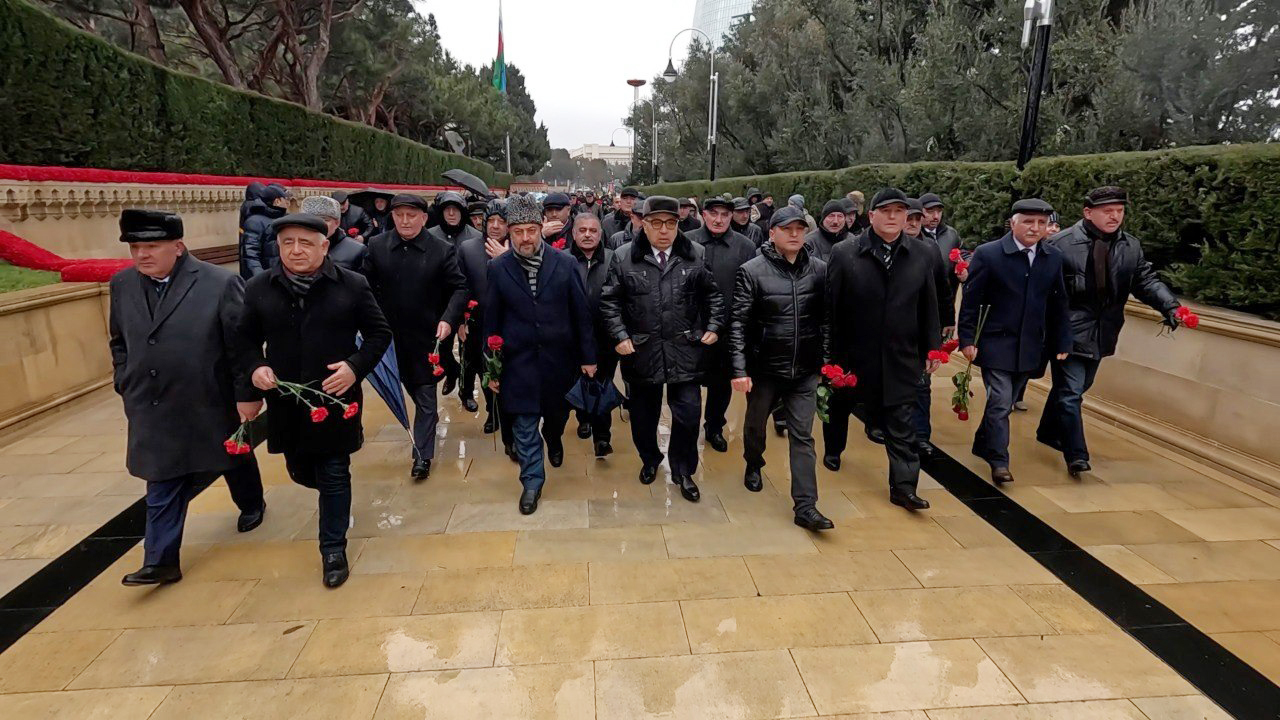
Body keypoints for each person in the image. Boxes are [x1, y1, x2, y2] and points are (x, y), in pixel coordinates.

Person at [110, 210, 265, 586]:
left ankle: (251, 502)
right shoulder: (123, 284)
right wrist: (124, 378)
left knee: (231, 455)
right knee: (162, 475)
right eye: (135, 247)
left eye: (152, 246)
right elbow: (119, 340)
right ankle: (160, 560)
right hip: (150, 402)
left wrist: (246, 395)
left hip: (207, 396)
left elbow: (241, 345)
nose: (142, 254)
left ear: (177, 247)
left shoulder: (219, 283)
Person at [238, 213, 392, 587]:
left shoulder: (351, 285)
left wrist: (355, 367)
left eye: (305, 243)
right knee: (301, 471)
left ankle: (333, 549)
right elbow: (243, 341)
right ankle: (325, 491)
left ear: (324, 246)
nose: (296, 250)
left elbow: (379, 334)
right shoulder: (259, 287)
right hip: (287, 401)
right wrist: (255, 369)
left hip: (336, 398)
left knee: (335, 471)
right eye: (287, 242)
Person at [1039, 186, 1182, 477]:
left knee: (1078, 387)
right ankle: (1076, 455)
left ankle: (1047, 430)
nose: (1114, 216)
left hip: (1104, 329)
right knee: (1070, 392)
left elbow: (1145, 280)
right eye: (1107, 211)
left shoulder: (1130, 246)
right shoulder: (1059, 244)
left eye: (1119, 211)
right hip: (1068, 330)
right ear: (1088, 213)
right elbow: (1042, 290)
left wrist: (1170, 306)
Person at [601, 196, 724, 503]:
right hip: (642, 351)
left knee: (688, 415)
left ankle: (684, 470)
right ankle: (650, 458)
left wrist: (713, 326)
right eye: (656, 223)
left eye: (670, 223)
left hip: (685, 349)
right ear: (643, 224)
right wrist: (620, 335)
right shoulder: (625, 257)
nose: (664, 230)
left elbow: (713, 295)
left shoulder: (695, 254)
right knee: (643, 416)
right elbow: (610, 301)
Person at [827, 188, 941, 511]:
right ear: (871, 215)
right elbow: (830, 309)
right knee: (841, 406)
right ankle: (833, 449)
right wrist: (829, 357)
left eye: (899, 212)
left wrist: (932, 347)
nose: (893, 217)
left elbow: (928, 304)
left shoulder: (922, 254)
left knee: (902, 419)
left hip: (901, 354)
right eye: (886, 211)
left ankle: (904, 487)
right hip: (854, 354)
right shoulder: (846, 253)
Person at [484, 195, 597, 514]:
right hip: (517, 363)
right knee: (523, 424)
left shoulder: (565, 264)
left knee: (556, 417)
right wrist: (491, 369)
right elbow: (491, 321)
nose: (525, 238)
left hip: (558, 361)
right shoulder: (498, 268)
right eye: (518, 232)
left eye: (531, 231)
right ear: (509, 232)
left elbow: (581, 314)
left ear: (541, 229)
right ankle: (532, 482)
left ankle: (554, 437)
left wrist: (588, 358)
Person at [731, 206, 834, 531]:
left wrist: (825, 361)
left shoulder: (819, 270)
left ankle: (806, 506)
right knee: (755, 427)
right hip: (765, 369)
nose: (794, 234)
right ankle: (753, 462)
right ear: (772, 232)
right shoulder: (752, 271)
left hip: (805, 369)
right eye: (787, 229)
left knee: (802, 436)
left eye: (800, 229)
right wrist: (739, 370)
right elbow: (738, 323)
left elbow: (827, 320)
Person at [960, 199, 1072, 485]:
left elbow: (1058, 303)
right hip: (995, 342)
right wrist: (967, 339)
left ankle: (982, 442)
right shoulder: (989, 254)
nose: (1035, 228)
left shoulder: (1053, 257)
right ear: (1013, 223)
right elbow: (971, 301)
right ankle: (999, 460)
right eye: (1028, 222)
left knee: (1006, 401)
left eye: (1041, 223)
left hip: (1031, 345)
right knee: (1000, 401)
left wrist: (1062, 340)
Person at [363, 194, 468, 481]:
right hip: (388, 338)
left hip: (426, 337)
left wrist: (448, 319)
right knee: (403, 388)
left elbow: (459, 288)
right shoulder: (377, 246)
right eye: (399, 215)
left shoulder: (441, 250)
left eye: (412, 215)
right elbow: (364, 287)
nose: (405, 221)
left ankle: (422, 455)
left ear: (423, 218)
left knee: (425, 398)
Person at [686, 195, 755, 453]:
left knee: (720, 384)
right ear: (703, 214)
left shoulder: (745, 246)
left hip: (727, 329)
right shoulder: (687, 241)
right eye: (713, 213)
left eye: (725, 214)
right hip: (691, 327)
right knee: (688, 385)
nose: (719, 219)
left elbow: (748, 289)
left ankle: (714, 427)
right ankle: (687, 429)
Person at [566, 213, 619, 456]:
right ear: (574, 233)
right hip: (571, 339)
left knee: (602, 386)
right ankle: (583, 417)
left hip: (605, 338)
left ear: (600, 234)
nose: (587, 235)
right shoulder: (562, 260)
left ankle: (602, 437)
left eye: (593, 230)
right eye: (582, 230)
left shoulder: (613, 259)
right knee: (578, 383)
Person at [459, 199, 509, 431]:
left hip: (511, 322)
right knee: (485, 369)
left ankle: (509, 415)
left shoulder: (518, 246)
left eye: (502, 221)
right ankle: (493, 411)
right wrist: (460, 320)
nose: (496, 226)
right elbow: (460, 287)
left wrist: (507, 257)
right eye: (492, 221)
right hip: (479, 322)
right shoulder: (468, 249)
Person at [427, 191, 481, 397]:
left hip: (470, 301)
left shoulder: (475, 236)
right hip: (441, 302)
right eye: (447, 210)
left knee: (469, 350)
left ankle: (466, 392)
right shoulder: (430, 235)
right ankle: (452, 371)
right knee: (440, 346)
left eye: (455, 210)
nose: (451, 214)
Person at [303, 195, 367, 272]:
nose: (318, 224)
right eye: (312, 220)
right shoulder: (295, 248)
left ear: (337, 223)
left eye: (325, 220)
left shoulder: (357, 250)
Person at [239, 184, 288, 279]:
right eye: (285, 199)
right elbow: (251, 255)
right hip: (267, 278)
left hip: (283, 278)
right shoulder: (255, 222)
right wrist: (261, 279)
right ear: (277, 201)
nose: (288, 202)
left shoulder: (285, 219)